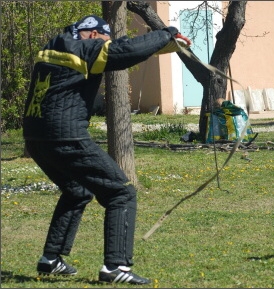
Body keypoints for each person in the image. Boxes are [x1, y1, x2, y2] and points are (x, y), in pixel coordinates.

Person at [23, 15, 191, 285]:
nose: (108, 44)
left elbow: (122, 50)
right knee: (121, 193)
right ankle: (116, 267)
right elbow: (124, 52)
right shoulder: (82, 48)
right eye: (105, 38)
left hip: (36, 138)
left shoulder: (57, 46)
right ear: (91, 34)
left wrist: (162, 46)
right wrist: (166, 33)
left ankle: (51, 260)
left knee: (77, 190)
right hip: (65, 135)